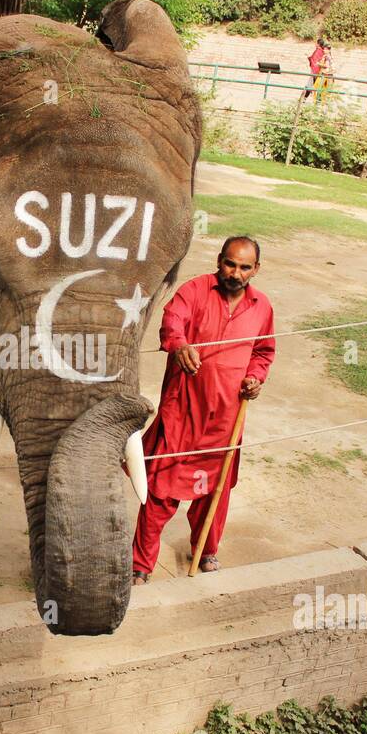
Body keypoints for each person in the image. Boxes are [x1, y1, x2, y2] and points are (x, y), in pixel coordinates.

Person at [130, 236, 276, 585]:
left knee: (215, 491)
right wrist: (178, 346)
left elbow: (263, 352)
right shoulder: (195, 290)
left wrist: (255, 378)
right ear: (219, 260)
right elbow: (171, 321)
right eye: (230, 264)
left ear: (256, 269)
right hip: (183, 412)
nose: (235, 273)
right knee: (162, 490)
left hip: (226, 419)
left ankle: (205, 550)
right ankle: (140, 564)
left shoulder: (262, 306)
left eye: (244, 267)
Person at [303, 37, 327, 101]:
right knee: (314, 85)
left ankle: (304, 99)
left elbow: (314, 60)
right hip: (319, 71)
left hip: (315, 71)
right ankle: (307, 98)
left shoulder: (317, 51)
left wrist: (308, 57)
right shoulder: (322, 51)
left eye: (316, 43)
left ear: (318, 44)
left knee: (309, 84)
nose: (315, 44)